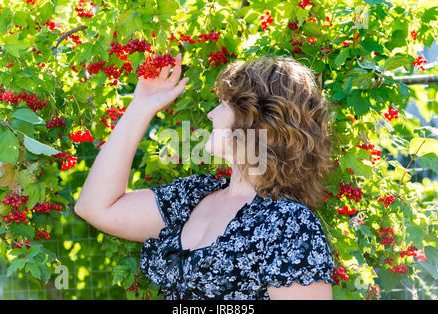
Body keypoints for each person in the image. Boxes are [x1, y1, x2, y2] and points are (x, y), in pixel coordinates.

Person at [75, 52, 336, 300]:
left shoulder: (289, 224)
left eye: (223, 104)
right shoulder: (194, 196)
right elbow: (95, 207)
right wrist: (141, 106)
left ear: (255, 119)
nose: (211, 114)